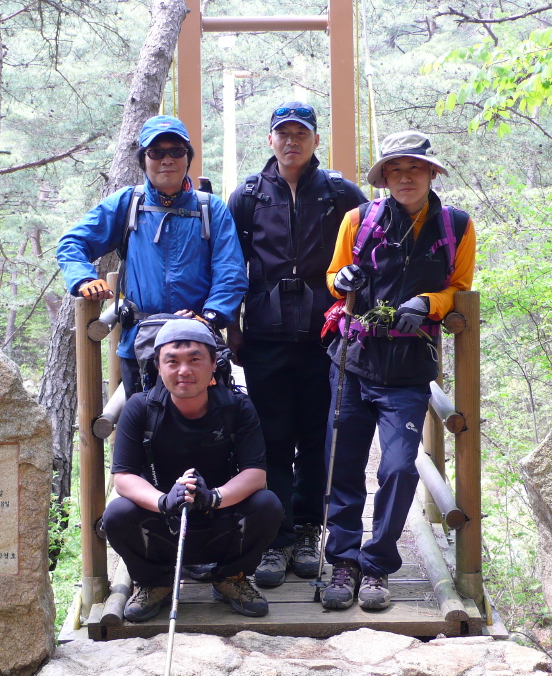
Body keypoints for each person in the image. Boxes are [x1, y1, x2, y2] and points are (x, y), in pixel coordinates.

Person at [320, 130, 476, 611]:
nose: (405, 177)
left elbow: (461, 288)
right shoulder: (358, 220)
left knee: (396, 467)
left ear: (431, 173)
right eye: (395, 169)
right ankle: (343, 562)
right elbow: (333, 278)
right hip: (352, 361)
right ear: (384, 177)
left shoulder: (456, 226)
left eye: (414, 168)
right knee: (342, 466)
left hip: (409, 371)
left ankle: (377, 566)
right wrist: (341, 280)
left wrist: (428, 303)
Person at [226, 102, 367, 587]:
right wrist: (234, 327)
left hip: (324, 335)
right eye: (282, 134)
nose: (291, 141)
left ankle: (309, 530)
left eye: (300, 133)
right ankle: (276, 536)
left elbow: (365, 257)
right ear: (270, 140)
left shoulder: (340, 193)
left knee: (316, 435)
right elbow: (233, 266)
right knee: (270, 437)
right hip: (264, 336)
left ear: (314, 140)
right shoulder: (246, 196)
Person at [102, 318, 283, 621]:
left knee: (268, 505)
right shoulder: (140, 408)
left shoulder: (236, 407)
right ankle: (155, 581)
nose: (183, 371)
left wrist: (213, 497)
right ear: (158, 366)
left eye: (195, 360)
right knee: (117, 514)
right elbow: (124, 477)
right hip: (164, 528)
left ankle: (230, 577)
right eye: (171, 361)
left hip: (222, 522)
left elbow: (256, 474)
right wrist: (162, 501)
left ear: (214, 364)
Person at [56, 115, 248, 396]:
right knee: (143, 430)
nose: (167, 160)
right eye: (156, 152)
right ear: (143, 159)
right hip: (140, 344)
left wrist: (210, 317)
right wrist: (83, 279)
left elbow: (230, 271)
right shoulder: (128, 203)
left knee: (202, 433)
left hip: (196, 345)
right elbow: (72, 242)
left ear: (187, 158)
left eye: (176, 151)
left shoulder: (210, 208)